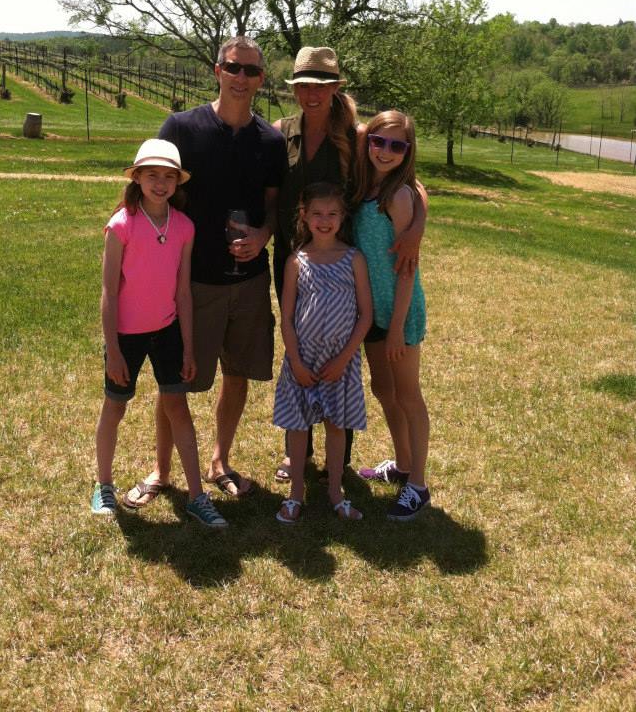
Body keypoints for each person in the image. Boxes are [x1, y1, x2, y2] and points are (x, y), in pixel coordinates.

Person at [126, 35, 286, 501]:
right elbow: (151, 192)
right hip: (191, 281)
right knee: (174, 381)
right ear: (217, 71)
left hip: (249, 281)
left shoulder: (271, 141)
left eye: (251, 71)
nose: (241, 78)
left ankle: (220, 461)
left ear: (261, 79)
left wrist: (263, 235)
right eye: (233, 67)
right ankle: (161, 471)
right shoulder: (181, 128)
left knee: (237, 374)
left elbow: (274, 206)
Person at [272, 46, 426, 483]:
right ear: (294, 89)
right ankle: (298, 453)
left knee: (342, 356)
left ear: (336, 87)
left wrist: (416, 227)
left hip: (345, 267)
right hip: (295, 262)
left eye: (321, 85)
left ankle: (338, 458)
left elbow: (410, 183)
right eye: (304, 85)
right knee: (300, 349)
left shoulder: (359, 136)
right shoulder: (281, 133)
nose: (312, 93)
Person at [92, 139, 227, 527]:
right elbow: (109, 291)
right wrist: (114, 350)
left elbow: (183, 292)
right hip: (126, 336)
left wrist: (188, 349)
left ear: (177, 183)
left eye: (169, 176)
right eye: (152, 175)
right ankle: (103, 484)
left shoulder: (183, 227)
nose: (161, 183)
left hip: (168, 332)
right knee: (115, 407)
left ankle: (197, 496)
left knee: (177, 408)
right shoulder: (121, 225)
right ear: (136, 177)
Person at [273, 182, 373, 522]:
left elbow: (365, 315)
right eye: (317, 213)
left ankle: (335, 491)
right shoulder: (296, 261)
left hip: (339, 362)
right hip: (303, 360)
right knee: (299, 425)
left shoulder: (354, 259)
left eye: (332, 214)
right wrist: (296, 361)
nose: (325, 220)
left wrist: (344, 359)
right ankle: (295, 493)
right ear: (304, 215)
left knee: (336, 424)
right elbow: (287, 317)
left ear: (343, 217)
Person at [352, 111, 431, 521]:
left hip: (399, 311)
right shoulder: (367, 183)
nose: (385, 151)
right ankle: (401, 465)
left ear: (408, 151)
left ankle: (418, 485)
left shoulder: (398, 195)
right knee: (383, 388)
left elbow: (407, 269)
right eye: (378, 141)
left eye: (397, 146)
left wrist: (397, 328)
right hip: (373, 311)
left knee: (407, 395)